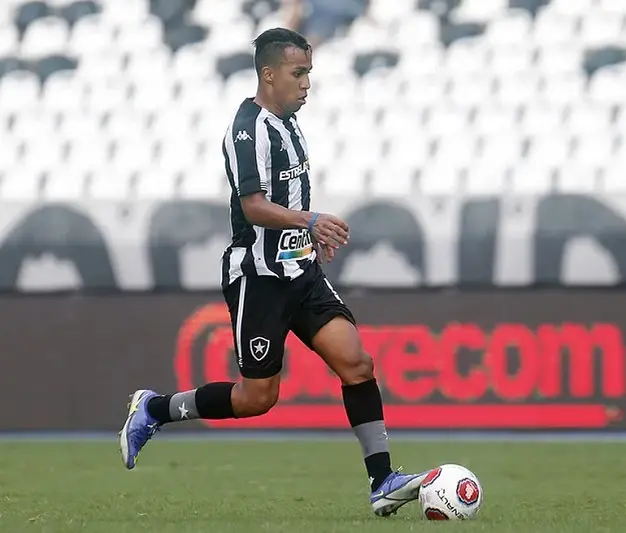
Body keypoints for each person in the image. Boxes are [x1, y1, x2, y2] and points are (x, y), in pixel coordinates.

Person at [119, 27, 430, 518]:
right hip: (258, 279)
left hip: (301, 272)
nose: (307, 83)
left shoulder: (289, 124)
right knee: (256, 398)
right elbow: (254, 206)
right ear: (268, 75)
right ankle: (154, 409)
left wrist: (308, 238)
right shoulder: (247, 130)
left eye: (309, 73)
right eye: (298, 73)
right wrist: (310, 221)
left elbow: (288, 198)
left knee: (357, 363)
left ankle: (382, 481)